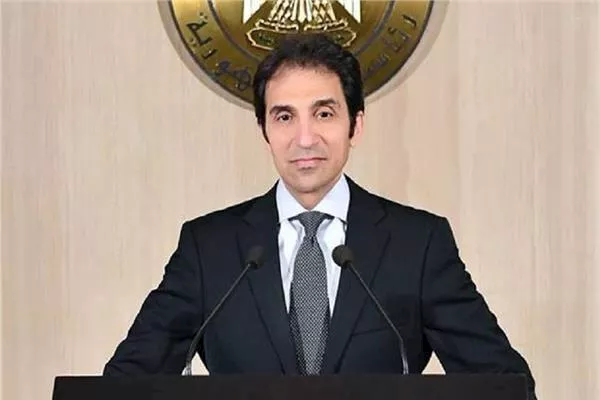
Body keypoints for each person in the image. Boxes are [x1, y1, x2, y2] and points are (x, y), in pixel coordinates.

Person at [104, 34, 536, 398]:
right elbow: (125, 384)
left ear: (355, 125)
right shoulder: (208, 248)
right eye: (284, 117)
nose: (305, 138)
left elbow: (504, 383)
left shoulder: (418, 244)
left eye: (324, 114)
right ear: (264, 131)